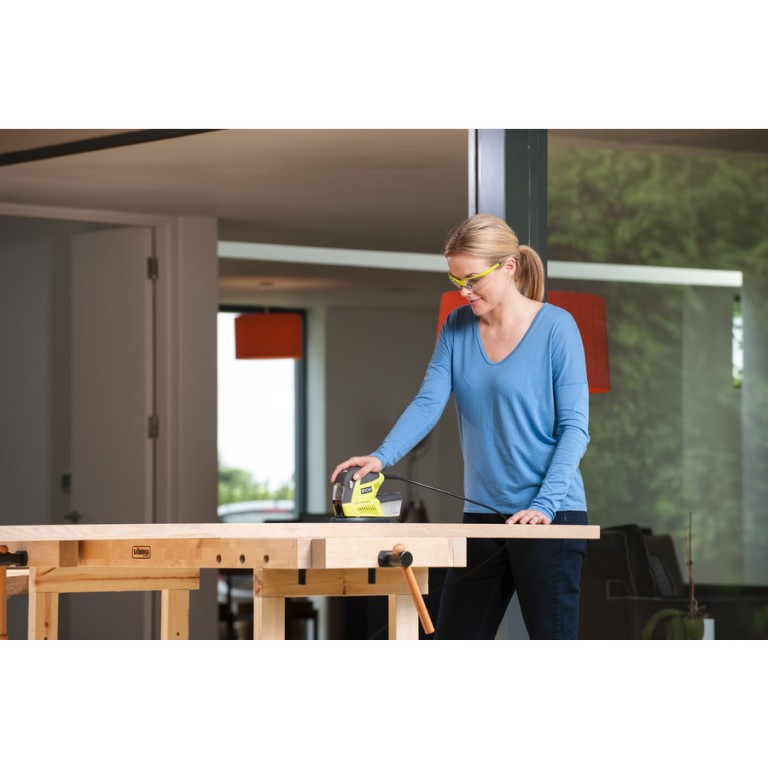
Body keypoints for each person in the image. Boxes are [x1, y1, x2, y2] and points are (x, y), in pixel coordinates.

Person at [330, 213, 590, 640]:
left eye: (472, 280)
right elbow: (428, 403)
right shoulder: (457, 326)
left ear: (508, 267)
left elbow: (575, 428)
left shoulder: (557, 328)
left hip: (551, 516)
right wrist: (380, 457)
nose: (464, 291)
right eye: (456, 281)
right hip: (482, 516)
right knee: (454, 643)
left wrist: (544, 505)